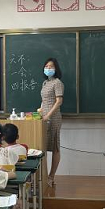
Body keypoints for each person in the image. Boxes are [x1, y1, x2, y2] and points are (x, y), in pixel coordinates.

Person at [38, 58, 64, 187]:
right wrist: (40, 110)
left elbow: (59, 101)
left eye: (51, 66)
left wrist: (48, 115)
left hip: (53, 118)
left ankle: (51, 176)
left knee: (55, 147)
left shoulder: (57, 82)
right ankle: (43, 176)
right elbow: (44, 100)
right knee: (43, 146)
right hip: (43, 118)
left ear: (56, 68)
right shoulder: (45, 83)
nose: (48, 68)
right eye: (46, 66)